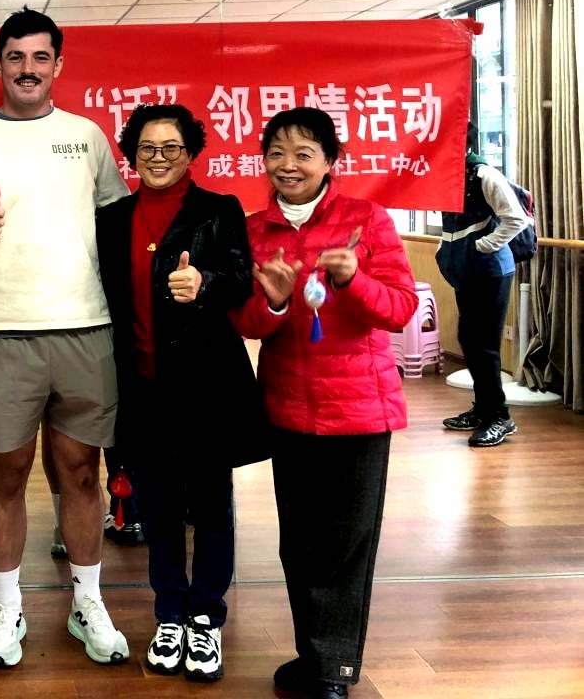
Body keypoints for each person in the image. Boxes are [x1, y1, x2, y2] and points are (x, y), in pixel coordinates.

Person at [0, 7, 130, 669]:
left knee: (80, 472)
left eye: (39, 57)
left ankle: (86, 601)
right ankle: (6, 604)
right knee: (6, 473)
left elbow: (116, 223)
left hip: (85, 327)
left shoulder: (86, 136)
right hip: (2, 334)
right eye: (15, 57)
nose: (27, 68)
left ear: (57, 65)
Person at [232, 107, 416, 699]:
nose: (288, 165)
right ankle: (314, 655)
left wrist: (351, 280)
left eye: (304, 153)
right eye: (277, 153)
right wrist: (275, 301)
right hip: (289, 408)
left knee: (346, 545)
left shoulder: (367, 219)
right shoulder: (254, 230)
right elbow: (247, 324)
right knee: (300, 543)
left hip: (360, 411)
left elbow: (400, 309)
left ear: (331, 162)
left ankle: (334, 670)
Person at [96, 103, 267, 683]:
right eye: (147, 148)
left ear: (191, 153)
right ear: (131, 155)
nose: (158, 157)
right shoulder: (113, 219)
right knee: (159, 510)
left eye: (171, 147)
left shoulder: (218, 210)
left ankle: (206, 616)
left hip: (205, 386)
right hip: (141, 389)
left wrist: (205, 281)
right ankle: (169, 612)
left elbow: (241, 279)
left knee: (212, 507)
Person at [436, 122, 529, 448]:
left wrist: (483, 246)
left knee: (484, 346)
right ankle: (482, 409)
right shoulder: (447, 176)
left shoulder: (484, 174)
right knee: (469, 340)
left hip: (491, 271)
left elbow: (517, 218)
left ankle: (499, 417)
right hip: (464, 270)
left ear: (464, 144)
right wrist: (445, 252)